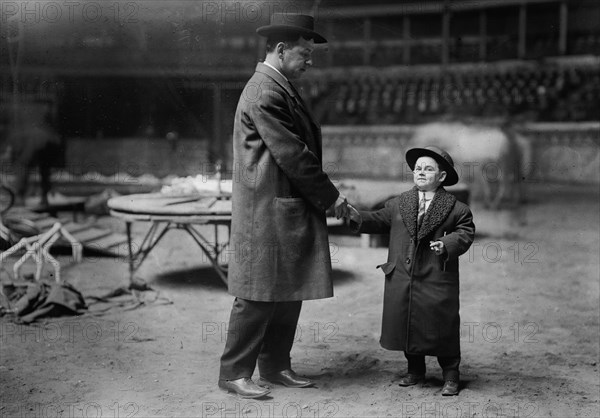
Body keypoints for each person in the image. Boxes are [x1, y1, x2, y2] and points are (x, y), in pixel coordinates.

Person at [218, 13, 349, 399]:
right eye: (305, 53)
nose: (310, 61)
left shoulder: (281, 86)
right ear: (280, 49)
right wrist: (333, 197)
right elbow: (294, 154)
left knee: (288, 289)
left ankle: (275, 365)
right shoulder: (265, 91)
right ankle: (234, 372)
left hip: (282, 204)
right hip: (265, 209)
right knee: (257, 294)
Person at [345, 146, 475, 396]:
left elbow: (465, 232)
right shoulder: (398, 203)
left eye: (428, 169)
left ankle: (451, 375)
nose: (421, 173)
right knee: (407, 322)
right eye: (417, 169)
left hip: (436, 274)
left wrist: (446, 244)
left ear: (442, 176)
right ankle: (415, 370)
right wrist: (355, 216)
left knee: (442, 325)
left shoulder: (456, 208)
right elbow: (377, 219)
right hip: (402, 275)